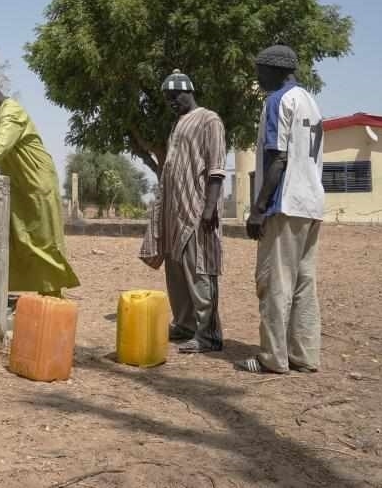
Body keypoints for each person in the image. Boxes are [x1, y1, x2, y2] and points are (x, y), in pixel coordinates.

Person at [0, 70, 80, 297]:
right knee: (22, 239)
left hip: (38, 183)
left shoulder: (12, 112)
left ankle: (53, 297)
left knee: (44, 240)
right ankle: (38, 295)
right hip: (18, 185)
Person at [239, 45, 324, 374]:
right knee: (304, 283)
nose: (258, 77)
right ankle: (304, 355)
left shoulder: (278, 100)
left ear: (274, 69)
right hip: (311, 204)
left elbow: (278, 158)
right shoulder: (310, 101)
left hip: (285, 204)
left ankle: (272, 358)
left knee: (275, 282)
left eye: (260, 70)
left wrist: (258, 208)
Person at [139, 70, 226, 353]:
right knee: (176, 274)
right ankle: (185, 324)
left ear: (188, 91)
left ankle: (208, 334)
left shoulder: (209, 119)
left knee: (200, 271)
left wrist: (209, 207)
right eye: (168, 98)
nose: (172, 102)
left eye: (175, 96)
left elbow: (216, 167)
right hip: (175, 213)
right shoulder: (178, 124)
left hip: (198, 210)